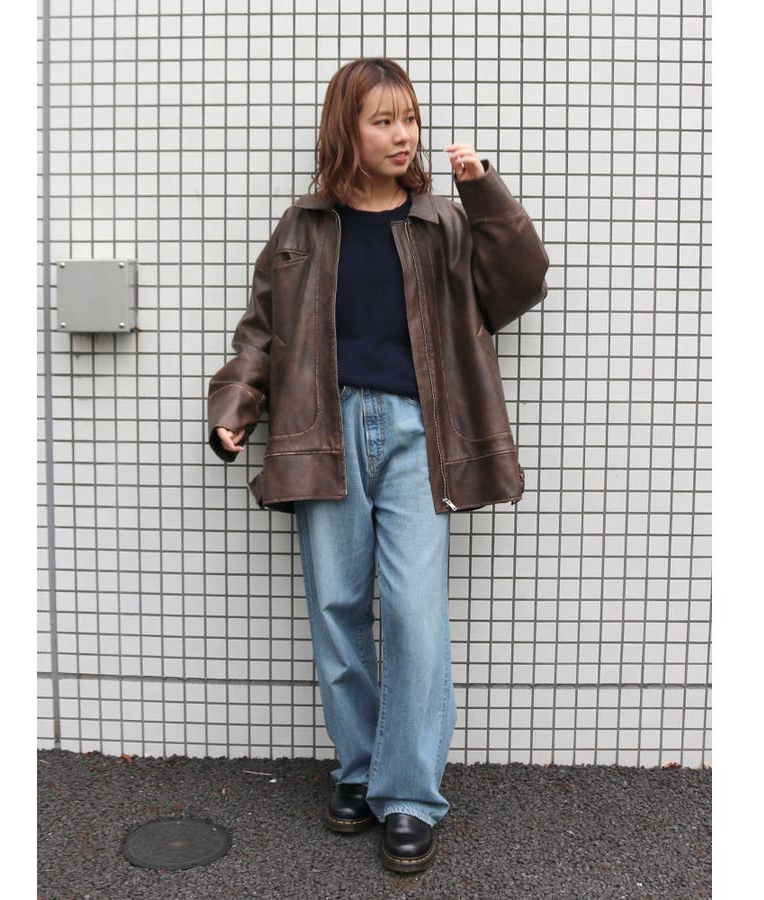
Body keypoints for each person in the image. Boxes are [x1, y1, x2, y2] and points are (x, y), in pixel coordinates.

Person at [208, 57, 549, 874]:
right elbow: (263, 329)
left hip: (415, 434)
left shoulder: (442, 221)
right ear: (347, 130)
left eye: (410, 118)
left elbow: (520, 284)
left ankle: (408, 796)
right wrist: (235, 406)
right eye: (384, 121)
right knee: (336, 609)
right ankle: (360, 773)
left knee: (414, 613)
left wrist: (484, 191)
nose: (404, 135)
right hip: (320, 430)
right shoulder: (302, 227)